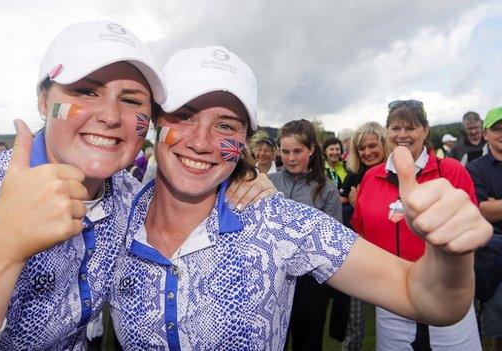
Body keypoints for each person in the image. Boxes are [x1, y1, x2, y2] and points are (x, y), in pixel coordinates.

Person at [0, 22, 270, 351]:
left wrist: (246, 176)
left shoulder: (128, 196)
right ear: (43, 100)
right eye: (87, 91)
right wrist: (0, 246)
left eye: (132, 100)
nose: (108, 116)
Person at [109, 47, 492, 350]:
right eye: (185, 116)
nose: (201, 141)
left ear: (243, 141)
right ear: (157, 120)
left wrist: (449, 256)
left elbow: (426, 299)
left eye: (225, 125)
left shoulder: (278, 222)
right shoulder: (116, 213)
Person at [351, 100, 483, 350]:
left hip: (445, 292)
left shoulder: (450, 171)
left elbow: (469, 229)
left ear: (425, 130)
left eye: (410, 127)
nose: (402, 135)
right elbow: (362, 232)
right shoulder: (371, 176)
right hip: (391, 293)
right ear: (387, 132)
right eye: (395, 127)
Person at [270, 119, 342, 351]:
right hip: (272, 280)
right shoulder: (267, 183)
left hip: (311, 282)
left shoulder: (327, 188)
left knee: (308, 344)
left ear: (311, 150)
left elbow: (333, 243)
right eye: (286, 151)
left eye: (298, 151)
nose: (291, 158)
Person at [337, 121, 390, 351]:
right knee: (355, 317)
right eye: (362, 148)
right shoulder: (354, 175)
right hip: (359, 252)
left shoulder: (395, 174)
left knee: (393, 318)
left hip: (390, 255)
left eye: (372, 146)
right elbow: (346, 214)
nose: (367, 152)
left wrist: (359, 202)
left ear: (384, 144)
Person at [466, 106, 502, 350]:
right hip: (495, 260)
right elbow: (479, 211)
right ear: (486, 134)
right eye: (497, 128)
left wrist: (494, 205)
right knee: (499, 328)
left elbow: (490, 209)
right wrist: (487, 208)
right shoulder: (475, 168)